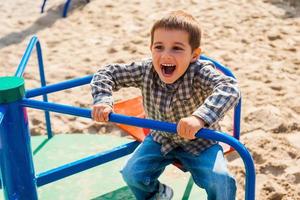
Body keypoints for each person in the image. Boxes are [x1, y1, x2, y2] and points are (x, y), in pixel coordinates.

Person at [90, 10, 240, 200]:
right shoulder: (146, 70)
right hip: (161, 138)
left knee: (220, 179)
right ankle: (157, 194)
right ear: (151, 48)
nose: (166, 55)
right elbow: (107, 73)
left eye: (177, 48)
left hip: (200, 142)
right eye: (159, 47)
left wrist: (199, 118)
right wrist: (102, 99)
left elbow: (229, 87)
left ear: (194, 55)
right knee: (132, 173)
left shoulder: (199, 72)